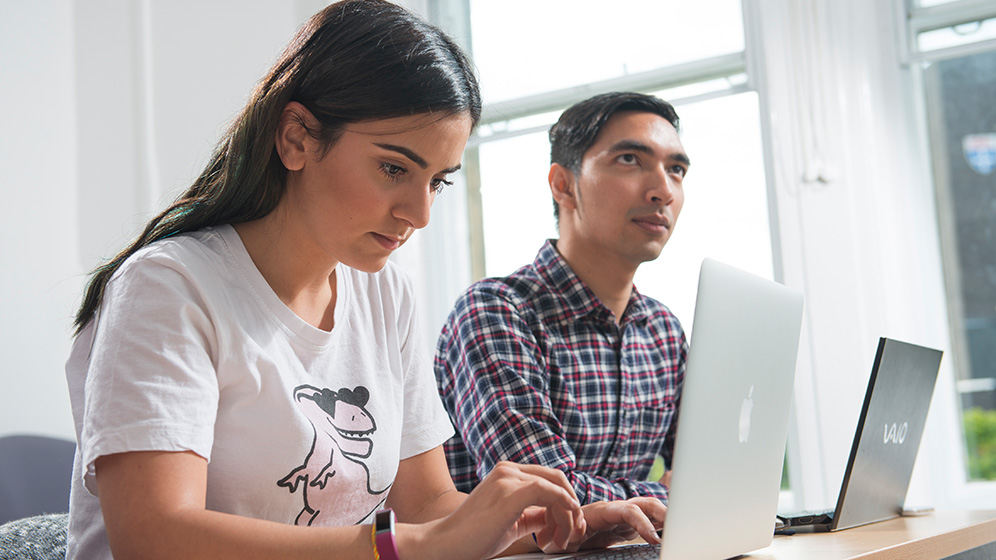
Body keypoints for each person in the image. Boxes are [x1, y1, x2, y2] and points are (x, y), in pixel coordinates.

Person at [64, 4, 666, 559]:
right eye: (393, 168)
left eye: (437, 181)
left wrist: (569, 529)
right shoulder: (168, 286)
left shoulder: (384, 293)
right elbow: (154, 536)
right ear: (297, 136)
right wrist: (404, 547)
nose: (419, 213)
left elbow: (428, 507)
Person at [435, 92, 690, 505]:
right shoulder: (497, 313)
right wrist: (663, 495)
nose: (664, 190)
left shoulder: (663, 331)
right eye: (630, 160)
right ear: (563, 184)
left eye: (676, 169)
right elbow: (539, 500)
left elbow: (706, 473)